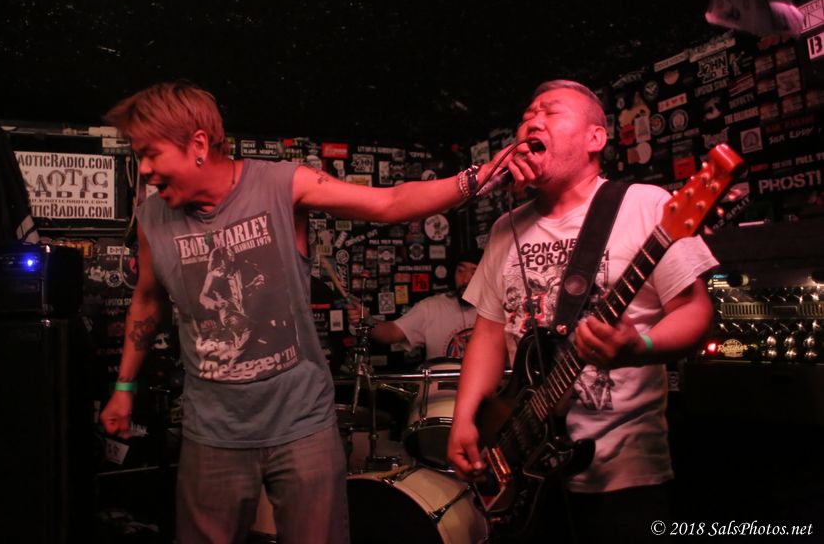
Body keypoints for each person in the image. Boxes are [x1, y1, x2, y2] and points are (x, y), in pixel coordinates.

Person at [97, 81, 524, 544]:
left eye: (151, 154)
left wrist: (472, 180)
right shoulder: (153, 219)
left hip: (301, 426)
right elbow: (147, 299)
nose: (145, 169)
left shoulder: (281, 185)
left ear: (198, 144)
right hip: (212, 432)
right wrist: (124, 387)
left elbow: (389, 203)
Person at [446, 80, 717, 542]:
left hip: (622, 472)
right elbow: (489, 333)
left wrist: (639, 347)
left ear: (595, 138)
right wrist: (464, 417)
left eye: (550, 112)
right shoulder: (506, 228)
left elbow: (695, 311)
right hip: (525, 464)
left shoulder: (646, 205)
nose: (532, 121)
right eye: (527, 116)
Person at [349, 249, 482, 361]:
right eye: (460, 271)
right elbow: (391, 332)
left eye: (474, 272)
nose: (466, 279)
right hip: (441, 385)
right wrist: (367, 319)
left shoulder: (493, 309)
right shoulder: (432, 307)